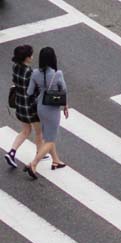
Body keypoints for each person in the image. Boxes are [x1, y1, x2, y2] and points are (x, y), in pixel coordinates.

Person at [23, 47, 68, 180]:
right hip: (52, 108)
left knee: (48, 134)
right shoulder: (57, 74)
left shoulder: (35, 73)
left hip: (40, 107)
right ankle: (33, 164)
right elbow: (63, 90)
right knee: (51, 138)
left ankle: (56, 161)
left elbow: (30, 92)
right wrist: (65, 106)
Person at [4, 45, 44, 168]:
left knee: (25, 131)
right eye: (31, 55)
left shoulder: (15, 67)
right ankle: (39, 153)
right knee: (39, 132)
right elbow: (34, 90)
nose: (32, 57)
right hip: (31, 107)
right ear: (26, 58)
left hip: (20, 104)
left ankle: (12, 152)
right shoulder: (30, 72)